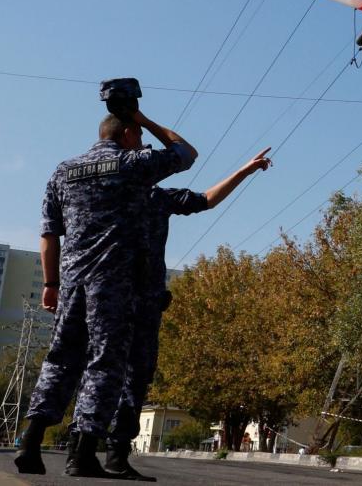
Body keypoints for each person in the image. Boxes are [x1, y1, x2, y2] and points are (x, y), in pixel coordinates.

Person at [14, 109, 197, 477]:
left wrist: (51, 285)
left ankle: (31, 443)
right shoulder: (132, 165)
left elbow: (49, 234)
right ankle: (82, 455)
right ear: (128, 133)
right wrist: (145, 118)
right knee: (105, 363)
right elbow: (186, 153)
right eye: (138, 134)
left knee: (60, 360)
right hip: (112, 285)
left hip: (71, 283)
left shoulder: (62, 171)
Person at [100, 147, 273, 481]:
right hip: (111, 299)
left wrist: (244, 171)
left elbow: (207, 199)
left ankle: (112, 452)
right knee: (105, 374)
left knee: (130, 378)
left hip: (134, 302)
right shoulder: (108, 195)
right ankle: (90, 448)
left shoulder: (157, 198)